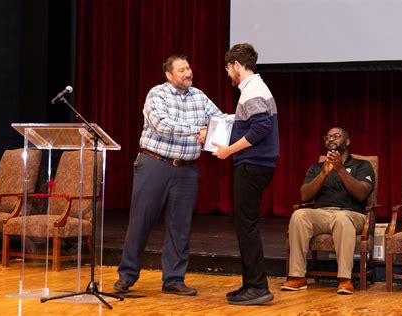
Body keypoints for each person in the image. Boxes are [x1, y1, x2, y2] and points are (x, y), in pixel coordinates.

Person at [114, 54, 225, 296]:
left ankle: (174, 279)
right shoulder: (157, 94)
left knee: (180, 226)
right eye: (182, 69)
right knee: (140, 223)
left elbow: (219, 119)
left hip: (187, 170)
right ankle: (126, 276)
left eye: (189, 68)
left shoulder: (200, 96)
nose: (188, 73)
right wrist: (198, 130)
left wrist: (222, 128)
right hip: (155, 165)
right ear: (169, 75)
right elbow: (162, 124)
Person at [213, 43, 279, 305]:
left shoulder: (252, 90)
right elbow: (249, 126)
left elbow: (260, 128)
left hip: (252, 164)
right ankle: (251, 284)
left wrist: (229, 150)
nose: (228, 74)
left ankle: (257, 287)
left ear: (237, 65)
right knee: (245, 225)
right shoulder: (254, 88)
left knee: (246, 226)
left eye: (228, 69)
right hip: (257, 163)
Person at [281, 127, 375, 295]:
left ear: (347, 142)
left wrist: (339, 169)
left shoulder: (362, 165)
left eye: (337, 136)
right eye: (328, 137)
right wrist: (324, 174)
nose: (331, 139)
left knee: (342, 219)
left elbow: (361, 194)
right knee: (299, 215)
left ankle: (345, 279)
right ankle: (297, 276)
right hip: (322, 213)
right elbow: (304, 195)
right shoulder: (316, 168)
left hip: (352, 214)